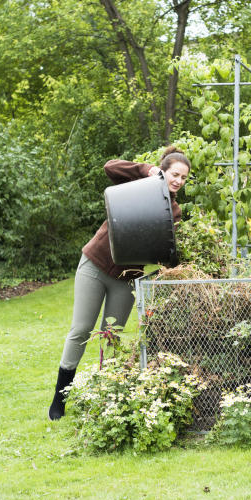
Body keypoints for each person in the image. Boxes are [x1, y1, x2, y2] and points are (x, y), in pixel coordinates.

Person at [48, 146, 191, 420]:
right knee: (81, 329)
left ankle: (105, 395)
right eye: (175, 174)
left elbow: (164, 248)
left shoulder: (174, 211)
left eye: (184, 178)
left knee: (110, 336)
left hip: (126, 278)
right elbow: (110, 167)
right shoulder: (138, 183)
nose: (178, 181)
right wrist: (144, 170)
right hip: (95, 265)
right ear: (163, 170)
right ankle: (60, 398)